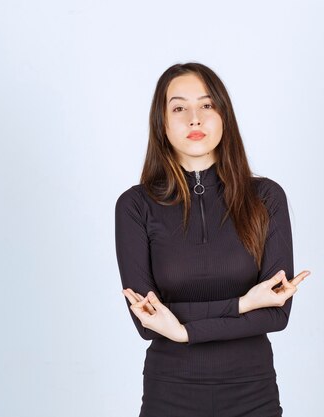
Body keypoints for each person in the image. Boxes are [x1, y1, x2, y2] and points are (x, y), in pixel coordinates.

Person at [114, 62, 311, 417]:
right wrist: (243, 304)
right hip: (169, 395)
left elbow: (276, 314)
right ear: (161, 123)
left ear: (224, 116)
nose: (194, 119)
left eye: (207, 105)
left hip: (253, 395)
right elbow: (147, 321)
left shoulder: (266, 197)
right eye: (179, 108)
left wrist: (183, 331)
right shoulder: (135, 206)